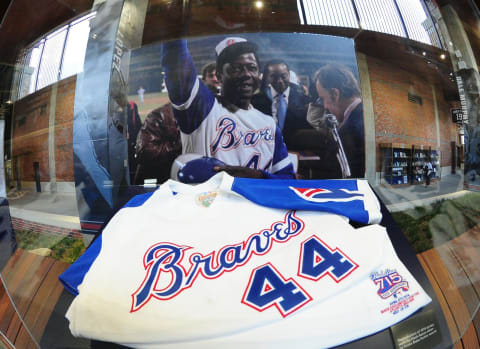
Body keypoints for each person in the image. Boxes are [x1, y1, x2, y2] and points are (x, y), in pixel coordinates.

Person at [161, 37, 295, 179]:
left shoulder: (269, 124)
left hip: (256, 201)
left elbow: (287, 179)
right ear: (219, 75)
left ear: (259, 75)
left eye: (252, 68)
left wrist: (257, 176)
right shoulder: (201, 108)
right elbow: (175, 57)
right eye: (236, 68)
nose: (246, 74)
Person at [313, 64, 365, 178]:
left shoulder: (352, 130)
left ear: (334, 94)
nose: (325, 107)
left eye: (323, 99)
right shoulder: (364, 116)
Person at [252, 59, 312, 147]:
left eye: (283, 76)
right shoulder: (256, 101)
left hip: (297, 151)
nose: (279, 81)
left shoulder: (303, 99)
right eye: (274, 76)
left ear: (289, 75)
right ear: (268, 77)